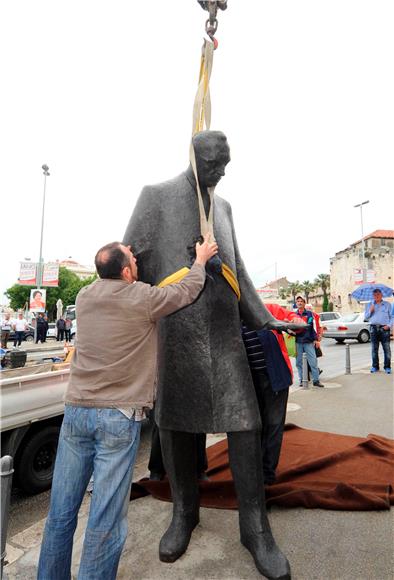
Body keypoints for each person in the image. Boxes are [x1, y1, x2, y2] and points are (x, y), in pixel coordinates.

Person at [124, 130, 303, 580]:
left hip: (224, 333)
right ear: (193, 156)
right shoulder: (156, 196)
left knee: (246, 422)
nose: (221, 172)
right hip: (178, 328)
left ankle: (254, 526)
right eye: (214, 164)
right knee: (177, 424)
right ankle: (185, 512)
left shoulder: (223, 208)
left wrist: (265, 318)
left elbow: (237, 267)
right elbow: (129, 261)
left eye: (226, 164)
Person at [37, 237, 217, 580]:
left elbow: (112, 273)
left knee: (60, 514)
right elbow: (185, 292)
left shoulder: (85, 296)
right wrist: (200, 260)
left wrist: (122, 253)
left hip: (76, 412)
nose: (137, 261)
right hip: (118, 418)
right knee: (105, 518)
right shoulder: (142, 298)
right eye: (133, 260)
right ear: (125, 272)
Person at [242, 303, 303, 485]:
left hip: (275, 376)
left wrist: (294, 321)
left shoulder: (266, 308)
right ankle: (254, 470)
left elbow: (292, 318)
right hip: (250, 381)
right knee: (255, 426)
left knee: (274, 424)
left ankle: (267, 474)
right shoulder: (230, 317)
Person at [294, 296, 324, 387]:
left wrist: (316, 339)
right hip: (298, 342)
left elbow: (314, 327)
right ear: (296, 303)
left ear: (304, 303)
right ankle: (302, 380)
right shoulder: (294, 315)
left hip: (308, 342)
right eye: (298, 301)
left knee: (313, 361)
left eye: (301, 301)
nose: (299, 303)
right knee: (299, 362)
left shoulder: (310, 314)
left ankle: (316, 380)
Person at [364, 288, 392, 374]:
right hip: (373, 329)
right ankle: (375, 366)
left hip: (385, 329)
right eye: (375, 295)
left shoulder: (387, 304)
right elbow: (366, 317)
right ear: (373, 296)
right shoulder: (369, 305)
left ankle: (387, 367)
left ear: (381, 295)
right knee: (374, 349)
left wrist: (389, 325)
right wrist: (371, 311)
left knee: (386, 349)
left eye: (378, 294)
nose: (377, 296)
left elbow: (392, 317)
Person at [305, 302, 323, 376]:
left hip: (314, 338)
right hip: (306, 339)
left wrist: (320, 336)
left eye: (310, 308)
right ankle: (312, 371)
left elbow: (320, 326)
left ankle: (314, 371)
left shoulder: (316, 316)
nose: (309, 310)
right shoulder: (304, 316)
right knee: (306, 357)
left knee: (313, 356)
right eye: (307, 308)